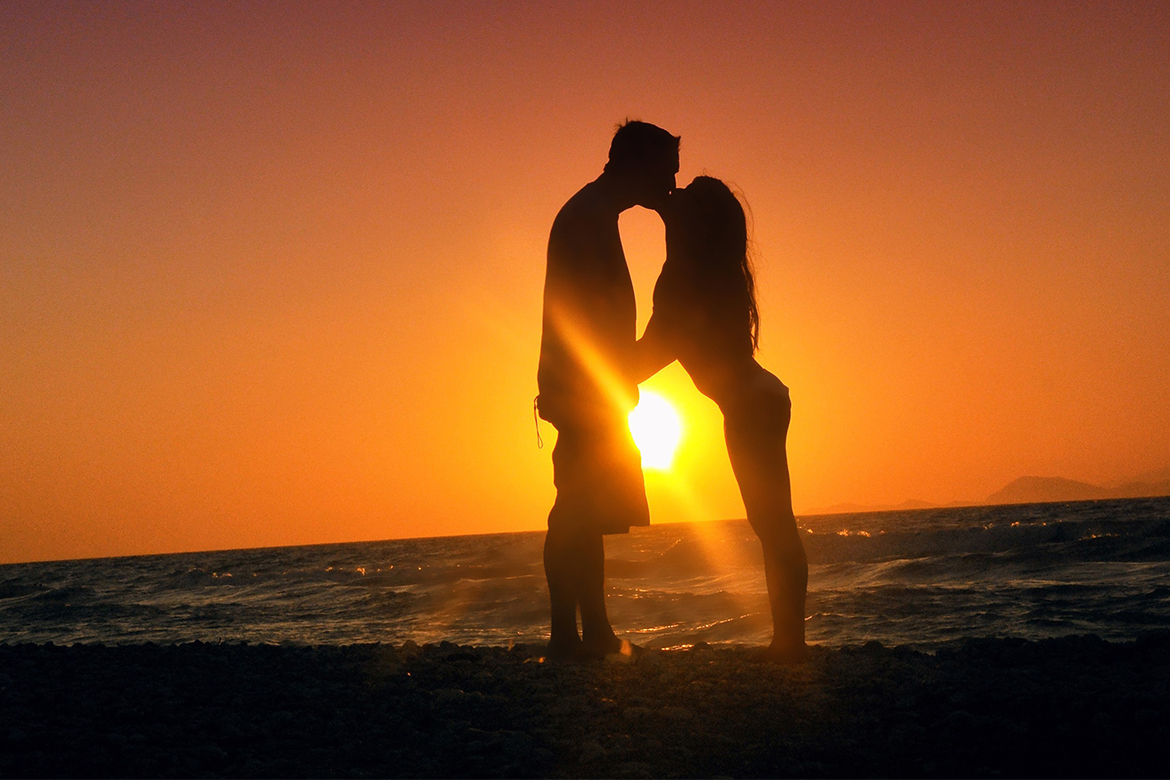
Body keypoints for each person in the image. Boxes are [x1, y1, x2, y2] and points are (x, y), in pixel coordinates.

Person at [634, 176, 809, 663]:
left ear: (693, 227)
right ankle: (790, 640)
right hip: (760, 397)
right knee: (774, 525)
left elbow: (647, 356)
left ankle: (790, 643)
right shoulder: (713, 273)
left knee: (772, 526)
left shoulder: (682, 285)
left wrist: (583, 375)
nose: (675, 194)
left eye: (684, 195)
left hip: (751, 405)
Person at [536, 120, 680, 660]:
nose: (670, 184)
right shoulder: (589, 218)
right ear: (637, 165)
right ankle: (564, 635)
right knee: (574, 507)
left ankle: (590, 631)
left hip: (591, 386)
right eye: (665, 172)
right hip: (583, 388)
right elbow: (585, 318)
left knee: (585, 508)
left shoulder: (595, 213)